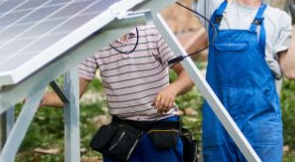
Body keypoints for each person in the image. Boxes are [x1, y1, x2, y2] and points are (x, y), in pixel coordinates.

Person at [189, 0, 295, 162]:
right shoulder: (216, 8)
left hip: (260, 125)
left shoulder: (277, 18)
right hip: (218, 122)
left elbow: (292, 71)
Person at [41, 24, 197, 162]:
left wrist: (172, 90)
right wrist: (41, 99)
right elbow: (71, 95)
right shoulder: (95, 42)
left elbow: (189, 75)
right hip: (123, 133)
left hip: (161, 129)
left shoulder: (154, 31)